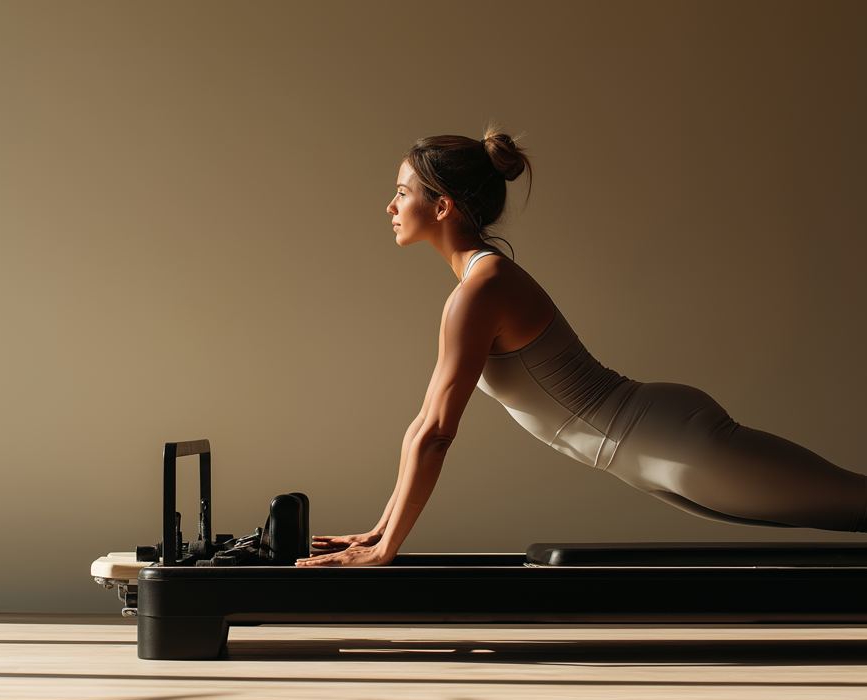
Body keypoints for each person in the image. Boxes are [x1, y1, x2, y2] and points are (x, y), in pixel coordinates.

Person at [297, 127, 867, 567]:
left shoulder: (480, 290)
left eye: (401, 192)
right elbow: (423, 424)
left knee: (855, 505)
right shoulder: (477, 285)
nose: (390, 206)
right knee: (848, 516)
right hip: (652, 453)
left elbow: (437, 432)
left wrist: (384, 548)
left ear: (442, 205)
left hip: (677, 445)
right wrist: (379, 530)